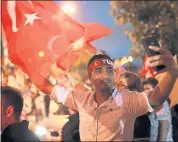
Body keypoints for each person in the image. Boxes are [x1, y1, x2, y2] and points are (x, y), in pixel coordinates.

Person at [34, 44, 178, 141]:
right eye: (98, 71)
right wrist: (30, 63)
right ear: (90, 78)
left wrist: (172, 71)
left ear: (114, 75)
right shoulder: (80, 99)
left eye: (109, 70)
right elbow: (47, 87)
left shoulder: (128, 100)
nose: (104, 75)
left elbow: (156, 97)